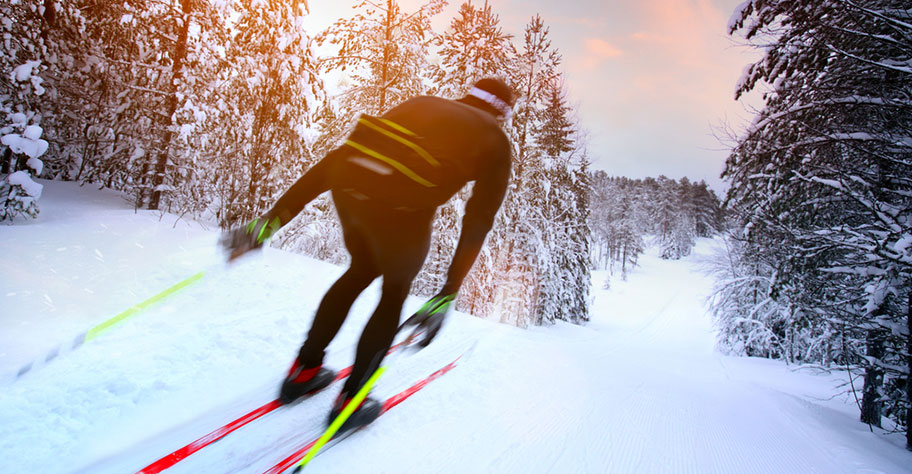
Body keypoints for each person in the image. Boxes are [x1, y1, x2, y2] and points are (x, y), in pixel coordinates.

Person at [221, 77, 514, 433]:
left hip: (349, 188)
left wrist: (270, 223)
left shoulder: (422, 102)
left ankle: (304, 372)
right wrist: (448, 290)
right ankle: (352, 401)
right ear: (503, 113)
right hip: (405, 210)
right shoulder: (496, 141)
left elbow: (348, 155)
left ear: (468, 95)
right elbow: (478, 220)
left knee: (359, 271)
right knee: (393, 292)